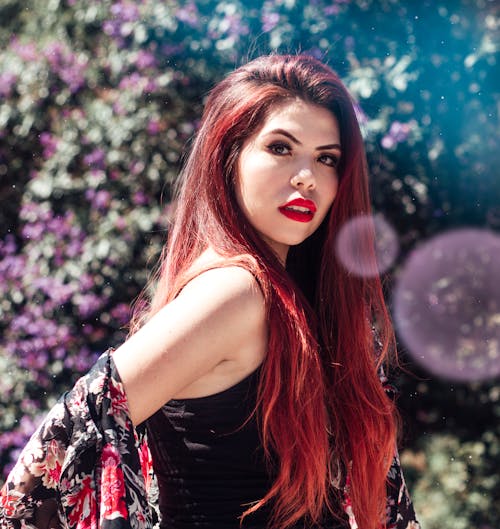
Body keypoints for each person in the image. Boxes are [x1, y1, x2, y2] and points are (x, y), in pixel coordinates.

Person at [0, 54, 420, 529]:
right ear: (228, 156)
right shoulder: (235, 292)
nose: (308, 175)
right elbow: (74, 430)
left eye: (327, 158)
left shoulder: (286, 298)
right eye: (281, 148)